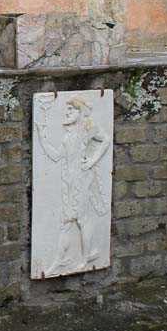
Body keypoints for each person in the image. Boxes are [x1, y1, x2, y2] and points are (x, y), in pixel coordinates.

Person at [36, 95, 111, 275]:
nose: (67, 112)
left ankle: (85, 259)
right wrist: (42, 136)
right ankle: (60, 260)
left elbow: (106, 140)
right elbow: (55, 155)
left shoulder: (88, 127)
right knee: (66, 222)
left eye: (71, 110)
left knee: (82, 219)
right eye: (67, 109)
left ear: (80, 112)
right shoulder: (69, 136)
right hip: (69, 183)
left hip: (82, 180)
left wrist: (93, 160)